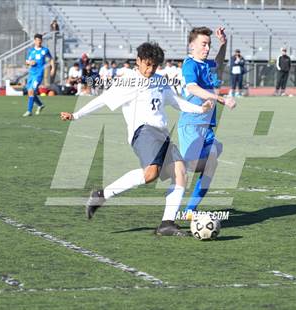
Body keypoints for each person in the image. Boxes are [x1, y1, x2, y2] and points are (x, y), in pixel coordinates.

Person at [60, 42, 213, 236]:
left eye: (154, 66)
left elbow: (177, 103)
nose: (150, 70)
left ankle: (167, 223)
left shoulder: (161, 81)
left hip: (162, 133)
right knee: (151, 174)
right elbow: (102, 100)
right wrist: (76, 115)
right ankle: (102, 195)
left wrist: (201, 109)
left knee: (180, 172)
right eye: (147, 64)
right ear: (138, 61)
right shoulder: (128, 81)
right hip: (143, 132)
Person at [178, 26, 236, 216]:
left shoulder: (206, 64)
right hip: (191, 125)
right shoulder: (190, 63)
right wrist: (220, 98)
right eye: (203, 44)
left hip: (207, 126)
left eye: (209, 45)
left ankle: (190, 210)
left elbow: (218, 61)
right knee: (191, 167)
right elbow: (193, 88)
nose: (207, 48)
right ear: (191, 46)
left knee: (213, 159)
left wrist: (223, 43)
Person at [23, 33, 55, 117]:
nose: (39, 42)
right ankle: (40, 105)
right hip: (31, 74)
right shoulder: (30, 51)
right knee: (30, 92)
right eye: (37, 41)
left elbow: (51, 59)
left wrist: (53, 68)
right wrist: (30, 62)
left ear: (42, 41)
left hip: (39, 74)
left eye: (40, 41)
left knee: (31, 91)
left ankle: (29, 111)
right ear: (34, 41)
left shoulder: (45, 50)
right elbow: (26, 62)